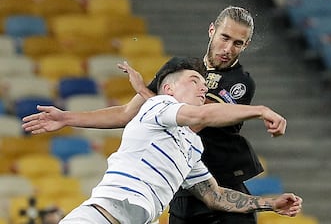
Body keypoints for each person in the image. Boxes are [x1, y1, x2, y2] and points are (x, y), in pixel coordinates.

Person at [22, 6, 284, 224]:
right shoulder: (181, 72)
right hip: (179, 187)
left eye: (238, 43)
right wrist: (67, 118)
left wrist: (272, 203)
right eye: (225, 38)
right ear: (211, 30)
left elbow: (197, 119)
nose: (228, 48)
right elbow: (127, 113)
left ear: (246, 45)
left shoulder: (239, 83)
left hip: (216, 178)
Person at [55, 57, 302, 224]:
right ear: (169, 89)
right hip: (98, 218)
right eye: (194, 81)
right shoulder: (158, 105)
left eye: (205, 85)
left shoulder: (191, 147)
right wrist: (260, 110)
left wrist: (271, 203)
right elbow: (204, 114)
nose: (202, 88)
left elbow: (215, 196)